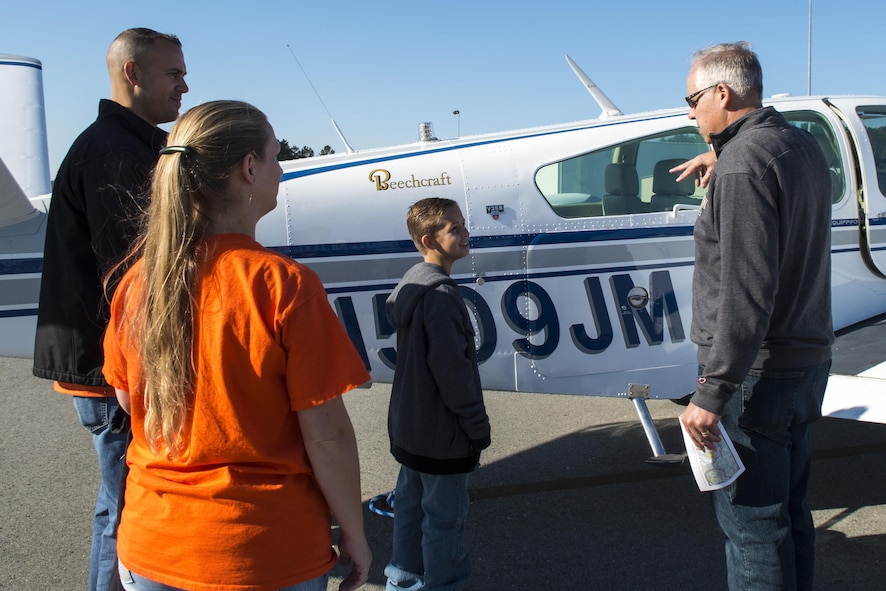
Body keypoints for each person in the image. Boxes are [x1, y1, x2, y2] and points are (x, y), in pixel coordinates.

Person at [101, 100, 372, 591]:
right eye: (274, 156)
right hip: (262, 555)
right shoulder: (285, 285)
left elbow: (127, 399)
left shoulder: (137, 284)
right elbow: (327, 435)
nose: (281, 168)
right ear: (249, 168)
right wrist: (354, 533)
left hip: (150, 546)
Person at [32, 28, 188, 591]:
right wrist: (152, 370)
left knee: (116, 500)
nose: (185, 85)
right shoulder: (115, 155)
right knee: (125, 505)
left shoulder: (130, 145)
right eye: (173, 73)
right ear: (133, 74)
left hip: (105, 365)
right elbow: (136, 276)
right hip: (113, 373)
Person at [677, 42, 834, 591]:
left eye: (692, 100)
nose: (690, 113)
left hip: (753, 376)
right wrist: (721, 157)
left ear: (723, 93)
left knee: (752, 531)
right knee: (791, 517)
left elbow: (747, 288)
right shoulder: (801, 146)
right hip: (805, 364)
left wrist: (712, 391)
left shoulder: (745, 164)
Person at [384, 197, 491, 591]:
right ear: (429, 239)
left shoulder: (413, 284)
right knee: (445, 519)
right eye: (454, 229)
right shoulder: (443, 298)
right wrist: (476, 428)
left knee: (410, 509)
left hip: (409, 429)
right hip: (442, 436)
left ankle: (404, 579)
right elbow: (454, 375)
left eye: (463, 225)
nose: (465, 234)